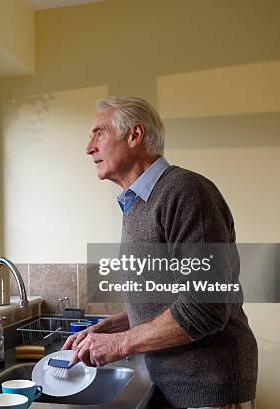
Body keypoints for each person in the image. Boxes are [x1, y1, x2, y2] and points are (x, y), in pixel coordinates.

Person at [63, 96, 258, 409]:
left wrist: (118, 344)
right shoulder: (137, 203)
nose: (89, 147)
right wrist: (113, 327)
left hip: (207, 390)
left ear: (135, 135)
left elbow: (205, 306)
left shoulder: (186, 191)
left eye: (99, 133)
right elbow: (164, 297)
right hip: (173, 385)